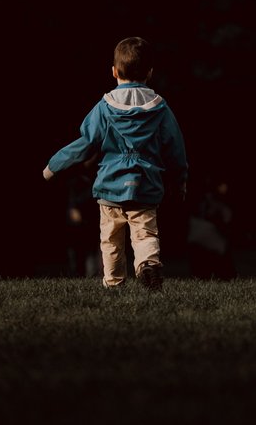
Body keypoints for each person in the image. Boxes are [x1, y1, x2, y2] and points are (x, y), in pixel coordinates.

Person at [42, 37, 187, 291]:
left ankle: (113, 283)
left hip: (110, 186)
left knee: (110, 240)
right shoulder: (161, 109)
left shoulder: (104, 108)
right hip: (145, 185)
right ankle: (148, 264)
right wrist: (180, 180)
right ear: (150, 73)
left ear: (114, 71)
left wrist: (54, 165)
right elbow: (175, 148)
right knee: (145, 233)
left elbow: (86, 143)